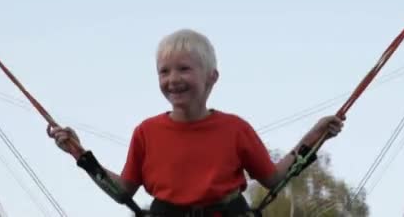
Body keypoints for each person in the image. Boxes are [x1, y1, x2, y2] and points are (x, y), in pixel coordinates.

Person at [49, 28, 344, 216]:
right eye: (164, 72)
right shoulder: (147, 133)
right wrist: (78, 152)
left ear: (211, 77)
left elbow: (274, 179)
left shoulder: (235, 129)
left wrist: (316, 135)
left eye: (184, 69)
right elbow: (122, 191)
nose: (173, 79)